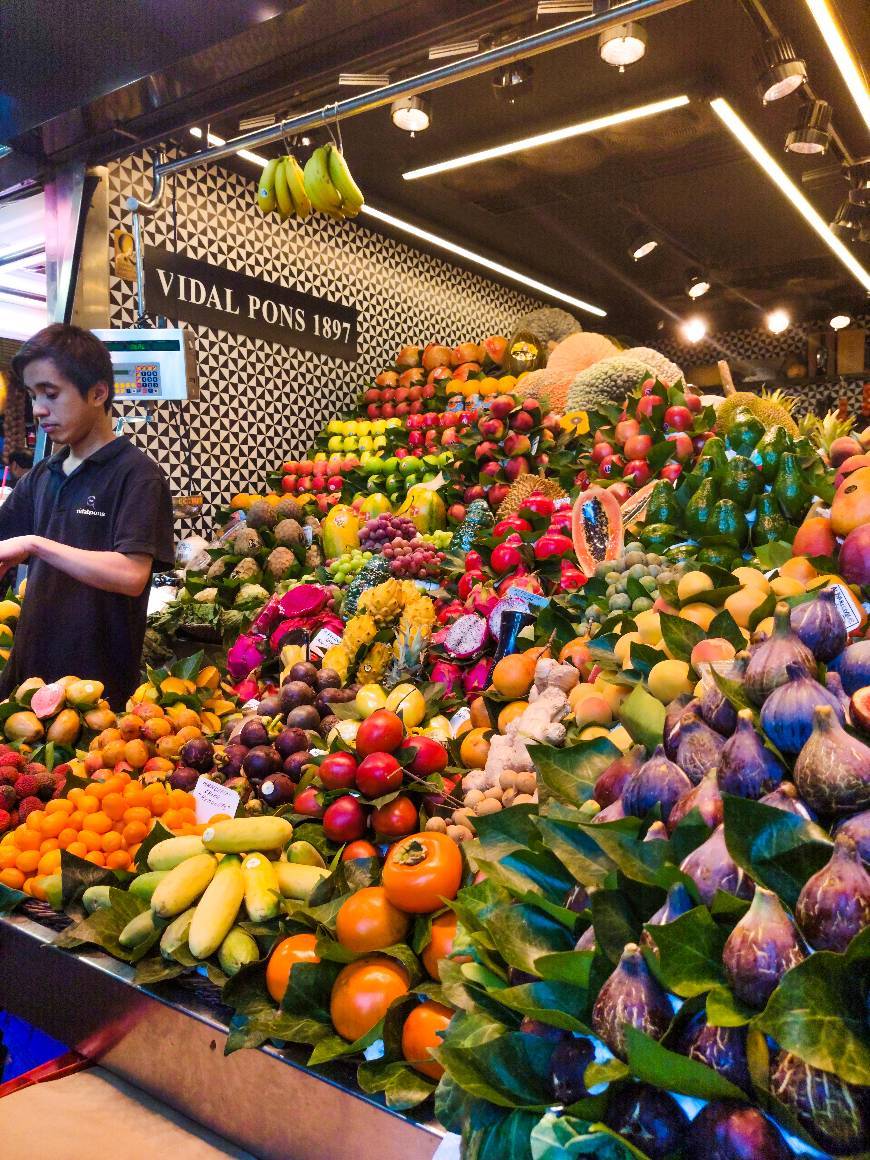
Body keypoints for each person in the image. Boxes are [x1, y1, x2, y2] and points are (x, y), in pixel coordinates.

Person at [0, 324, 174, 706]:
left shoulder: (137, 475)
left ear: (98, 393)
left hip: (95, 693)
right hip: (27, 676)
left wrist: (36, 545)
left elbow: (131, 574)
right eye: (32, 396)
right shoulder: (45, 474)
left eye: (51, 393)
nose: (39, 409)